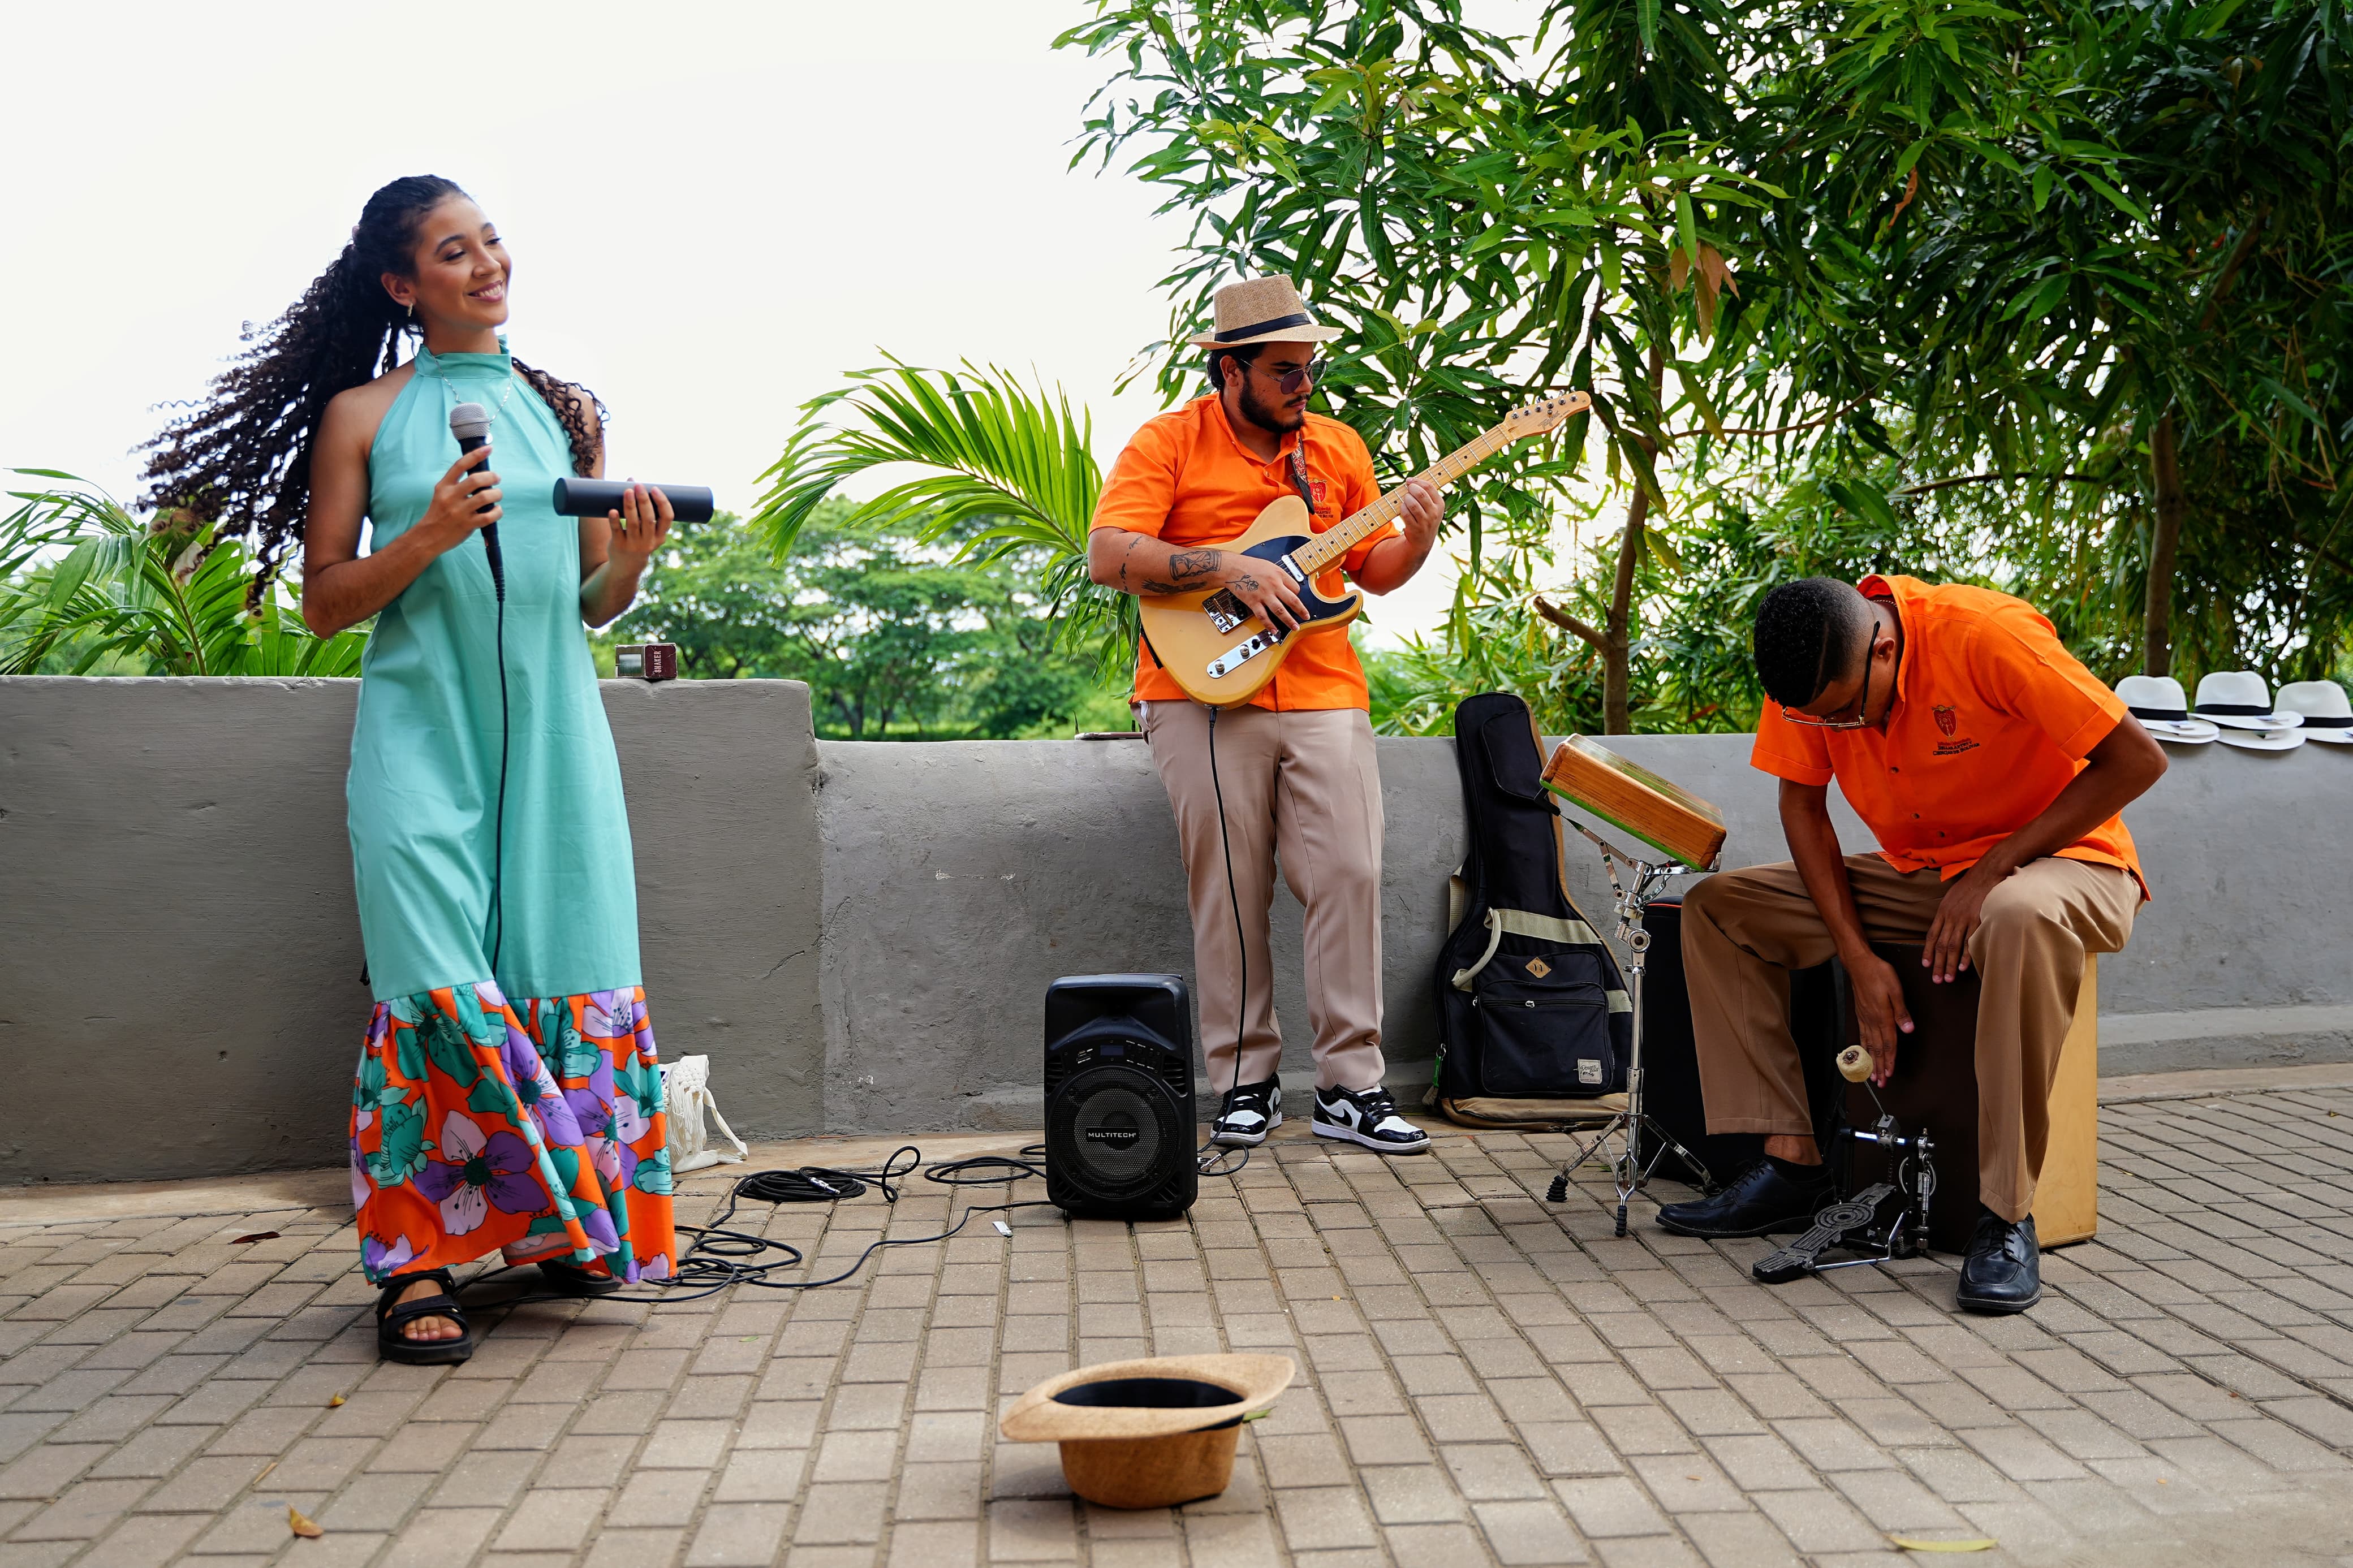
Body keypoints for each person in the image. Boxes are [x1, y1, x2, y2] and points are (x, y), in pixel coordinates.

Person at [141, 176, 679, 1363]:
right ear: (402, 284)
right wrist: (428, 535)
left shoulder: (566, 412)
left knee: (561, 969)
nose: (487, 263)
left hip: (555, 741)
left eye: (490, 241)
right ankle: (415, 1266)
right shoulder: (363, 418)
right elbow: (325, 603)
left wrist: (631, 563)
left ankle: (547, 1230)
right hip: (416, 742)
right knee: (430, 985)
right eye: (453, 250)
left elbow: (587, 604)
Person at [1656, 575, 2166, 1312]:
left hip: (2068, 864)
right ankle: (1793, 1162)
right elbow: (1801, 804)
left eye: (1843, 715)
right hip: (1927, 875)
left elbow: (2137, 760)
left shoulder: (1986, 635)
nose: (1835, 733)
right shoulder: (1810, 666)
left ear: (1885, 648)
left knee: (2015, 914)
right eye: (1817, 722)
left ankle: (2005, 1216)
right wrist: (1859, 959)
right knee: (1717, 908)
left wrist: (1994, 870)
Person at [1087, 277, 1443, 1154]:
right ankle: (1245, 1078)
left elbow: (1374, 569)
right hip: (1198, 691)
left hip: (1323, 685)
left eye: (1309, 368)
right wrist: (1227, 569)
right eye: (1284, 370)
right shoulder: (1168, 442)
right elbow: (1109, 553)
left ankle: (1350, 1087)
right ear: (1230, 369)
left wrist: (1422, 536)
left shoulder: (1338, 450)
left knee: (1351, 873)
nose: (1303, 385)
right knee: (1232, 890)